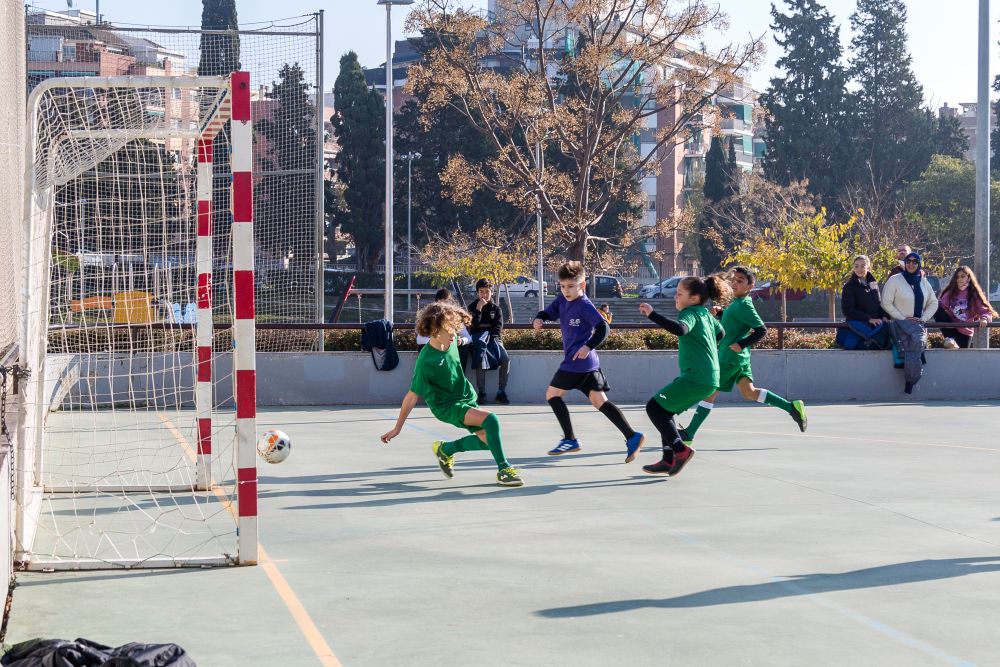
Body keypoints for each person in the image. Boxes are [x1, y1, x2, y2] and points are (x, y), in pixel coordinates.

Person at [380, 301, 523, 487]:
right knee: (491, 420)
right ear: (434, 330)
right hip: (446, 406)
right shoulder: (425, 361)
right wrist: (397, 427)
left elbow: (459, 335)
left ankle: (446, 449)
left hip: (465, 397)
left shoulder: (452, 340)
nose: (454, 333)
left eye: (455, 328)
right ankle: (504, 470)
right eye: (449, 329)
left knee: (489, 441)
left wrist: (462, 332)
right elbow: (412, 395)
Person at [680, 267, 807, 447]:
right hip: (738, 358)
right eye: (734, 279)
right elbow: (733, 324)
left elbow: (761, 329)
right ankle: (792, 407)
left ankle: (689, 433)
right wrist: (722, 313)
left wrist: (741, 344)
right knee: (750, 393)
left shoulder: (745, 304)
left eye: (740, 280)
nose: (735, 283)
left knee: (709, 393)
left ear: (750, 286)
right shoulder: (736, 303)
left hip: (729, 358)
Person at [532, 261, 645, 461]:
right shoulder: (561, 301)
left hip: (578, 362)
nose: (566, 290)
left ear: (582, 286)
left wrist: (587, 346)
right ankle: (632, 436)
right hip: (588, 366)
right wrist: (539, 319)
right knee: (599, 401)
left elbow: (604, 328)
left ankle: (570, 439)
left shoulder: (584, 305)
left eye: (571, 286)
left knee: (552, 395)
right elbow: (548, 312)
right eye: (563, 286)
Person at [639, 276, 730, 476]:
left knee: (654, 407)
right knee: (666, 412)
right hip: (709, 378)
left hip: (696, 376)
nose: (675, 298)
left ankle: (681, 450)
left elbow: (680, 329)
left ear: (694, 298)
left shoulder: (690, 313)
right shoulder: (705, 313)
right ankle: (668, 459)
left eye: (680, 294)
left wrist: (652, 314)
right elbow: (721, 333)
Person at [881, 252, 938, 394]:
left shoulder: (923, 282)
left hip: (918, 325)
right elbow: (886, 302)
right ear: (904, 263)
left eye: (915, 262)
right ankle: (911, 379)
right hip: (900, 323)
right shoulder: (895, 280)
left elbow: (933, 302)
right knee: (917, 342)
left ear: (919, 264)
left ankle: (910, 380)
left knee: (917, 342)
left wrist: (924, 318)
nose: (911, 264)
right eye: (908, 261)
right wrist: (901, 318)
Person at [468, 278, 511, 404]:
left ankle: (501, 392)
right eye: (481, 292)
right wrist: (478, 310)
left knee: (506, 360)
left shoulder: (496, 308)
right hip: (478, 340)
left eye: (487, 291)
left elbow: (498, 327)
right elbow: (473, 326)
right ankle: (482, 393)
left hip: (493, 339)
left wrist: (489, 336)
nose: (484, 295)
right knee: (480, 360)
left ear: (491, 292)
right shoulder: (472, 306)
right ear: (477, 293)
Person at [933, 265, 996, 349]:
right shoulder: (951, 292)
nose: (959, 279)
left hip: (965, 331)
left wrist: (984, 318)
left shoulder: (973, 294)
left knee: (961, 357)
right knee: (935, 308)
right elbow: (939, 306)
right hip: (951, 327)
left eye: (962, 276)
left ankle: (953, 342)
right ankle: (950, 339)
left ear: (968, 278)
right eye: (957, 277)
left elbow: (985, 310)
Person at [837, 255, 890, 350]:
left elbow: (878, 304)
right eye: (856, 266)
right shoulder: (849, 286)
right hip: (862, 329)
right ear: (853, 268)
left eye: (863, 266)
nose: (859, 269)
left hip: (876, 326)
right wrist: (869, 319)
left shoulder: (873, 284)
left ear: (868, 267)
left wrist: (885, 316)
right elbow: (848, 311)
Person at [416, 288, 471, 352]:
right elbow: (419, 340)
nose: (443, 309)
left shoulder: (454, 318)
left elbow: (468, 337)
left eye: (446, 305)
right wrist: (438, 341)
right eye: (440, 306)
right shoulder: (430, 318)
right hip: (433, 349)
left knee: (463, 348)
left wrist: (461, 341)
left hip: (449, 349)